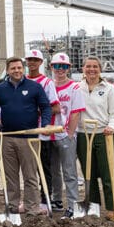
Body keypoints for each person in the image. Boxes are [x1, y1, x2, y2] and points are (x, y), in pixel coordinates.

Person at [0, 56, 52, 216]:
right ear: (8, 70)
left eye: (19, 68)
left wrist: (45, 125)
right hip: (7, 137)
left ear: (23, 69)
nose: (17, 71)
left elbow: (46, 107)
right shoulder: (0, 89)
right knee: (10, 176)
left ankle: (32, 208)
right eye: (13, 68)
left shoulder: (34, 87)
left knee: (30, 176)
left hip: (29, 137)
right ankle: (12, 207)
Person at [76, 56, 114, 220]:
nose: (91, 69)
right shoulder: (77, 88)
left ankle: (112, 208)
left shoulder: (109, 88)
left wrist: (112, 127)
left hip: (104, 134)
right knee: (88, 173)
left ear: (100, 69)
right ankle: (93, 206)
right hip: (83, 134)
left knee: (108, 173)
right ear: (83, 68)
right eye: (88, 66)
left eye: (95, 66)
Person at [46, 52, 85, 218]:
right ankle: (57, 199)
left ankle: (73, 204)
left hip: (65, 133)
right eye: (56, 66)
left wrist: (70, 133)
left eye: (63, 66)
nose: (60, 69)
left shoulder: (74, 87)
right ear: (51, 67)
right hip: (49, 133)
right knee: (54, 170)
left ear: (68, 68)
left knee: (69, 171)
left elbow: (76, 112)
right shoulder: (48, 85)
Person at [24, 49, 60, 206]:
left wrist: (34, 111)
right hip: (24, 131)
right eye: (29, 59)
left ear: (40, 62)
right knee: (27, 169)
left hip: (41, 132)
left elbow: (56, 107)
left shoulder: (47, 82)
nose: (32, 63)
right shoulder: (21, 80)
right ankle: (30, 200)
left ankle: (46, 199)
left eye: (35, 60)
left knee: (44, 168)